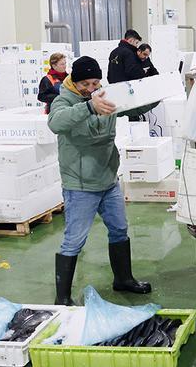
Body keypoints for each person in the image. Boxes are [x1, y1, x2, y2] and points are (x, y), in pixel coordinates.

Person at [49, 56, 154, 305]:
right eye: (85, 83)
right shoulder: (64, 100)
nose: (91, 88)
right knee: (74, 240)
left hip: (108, 179)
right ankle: (62, 297)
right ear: (75, 81)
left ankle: (123, 279)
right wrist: (88, 107)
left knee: (119, 229)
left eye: (95, 82)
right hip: (81, 184)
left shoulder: (105, 94)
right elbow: (55, 123)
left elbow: (131, 107)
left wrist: (154, 93)